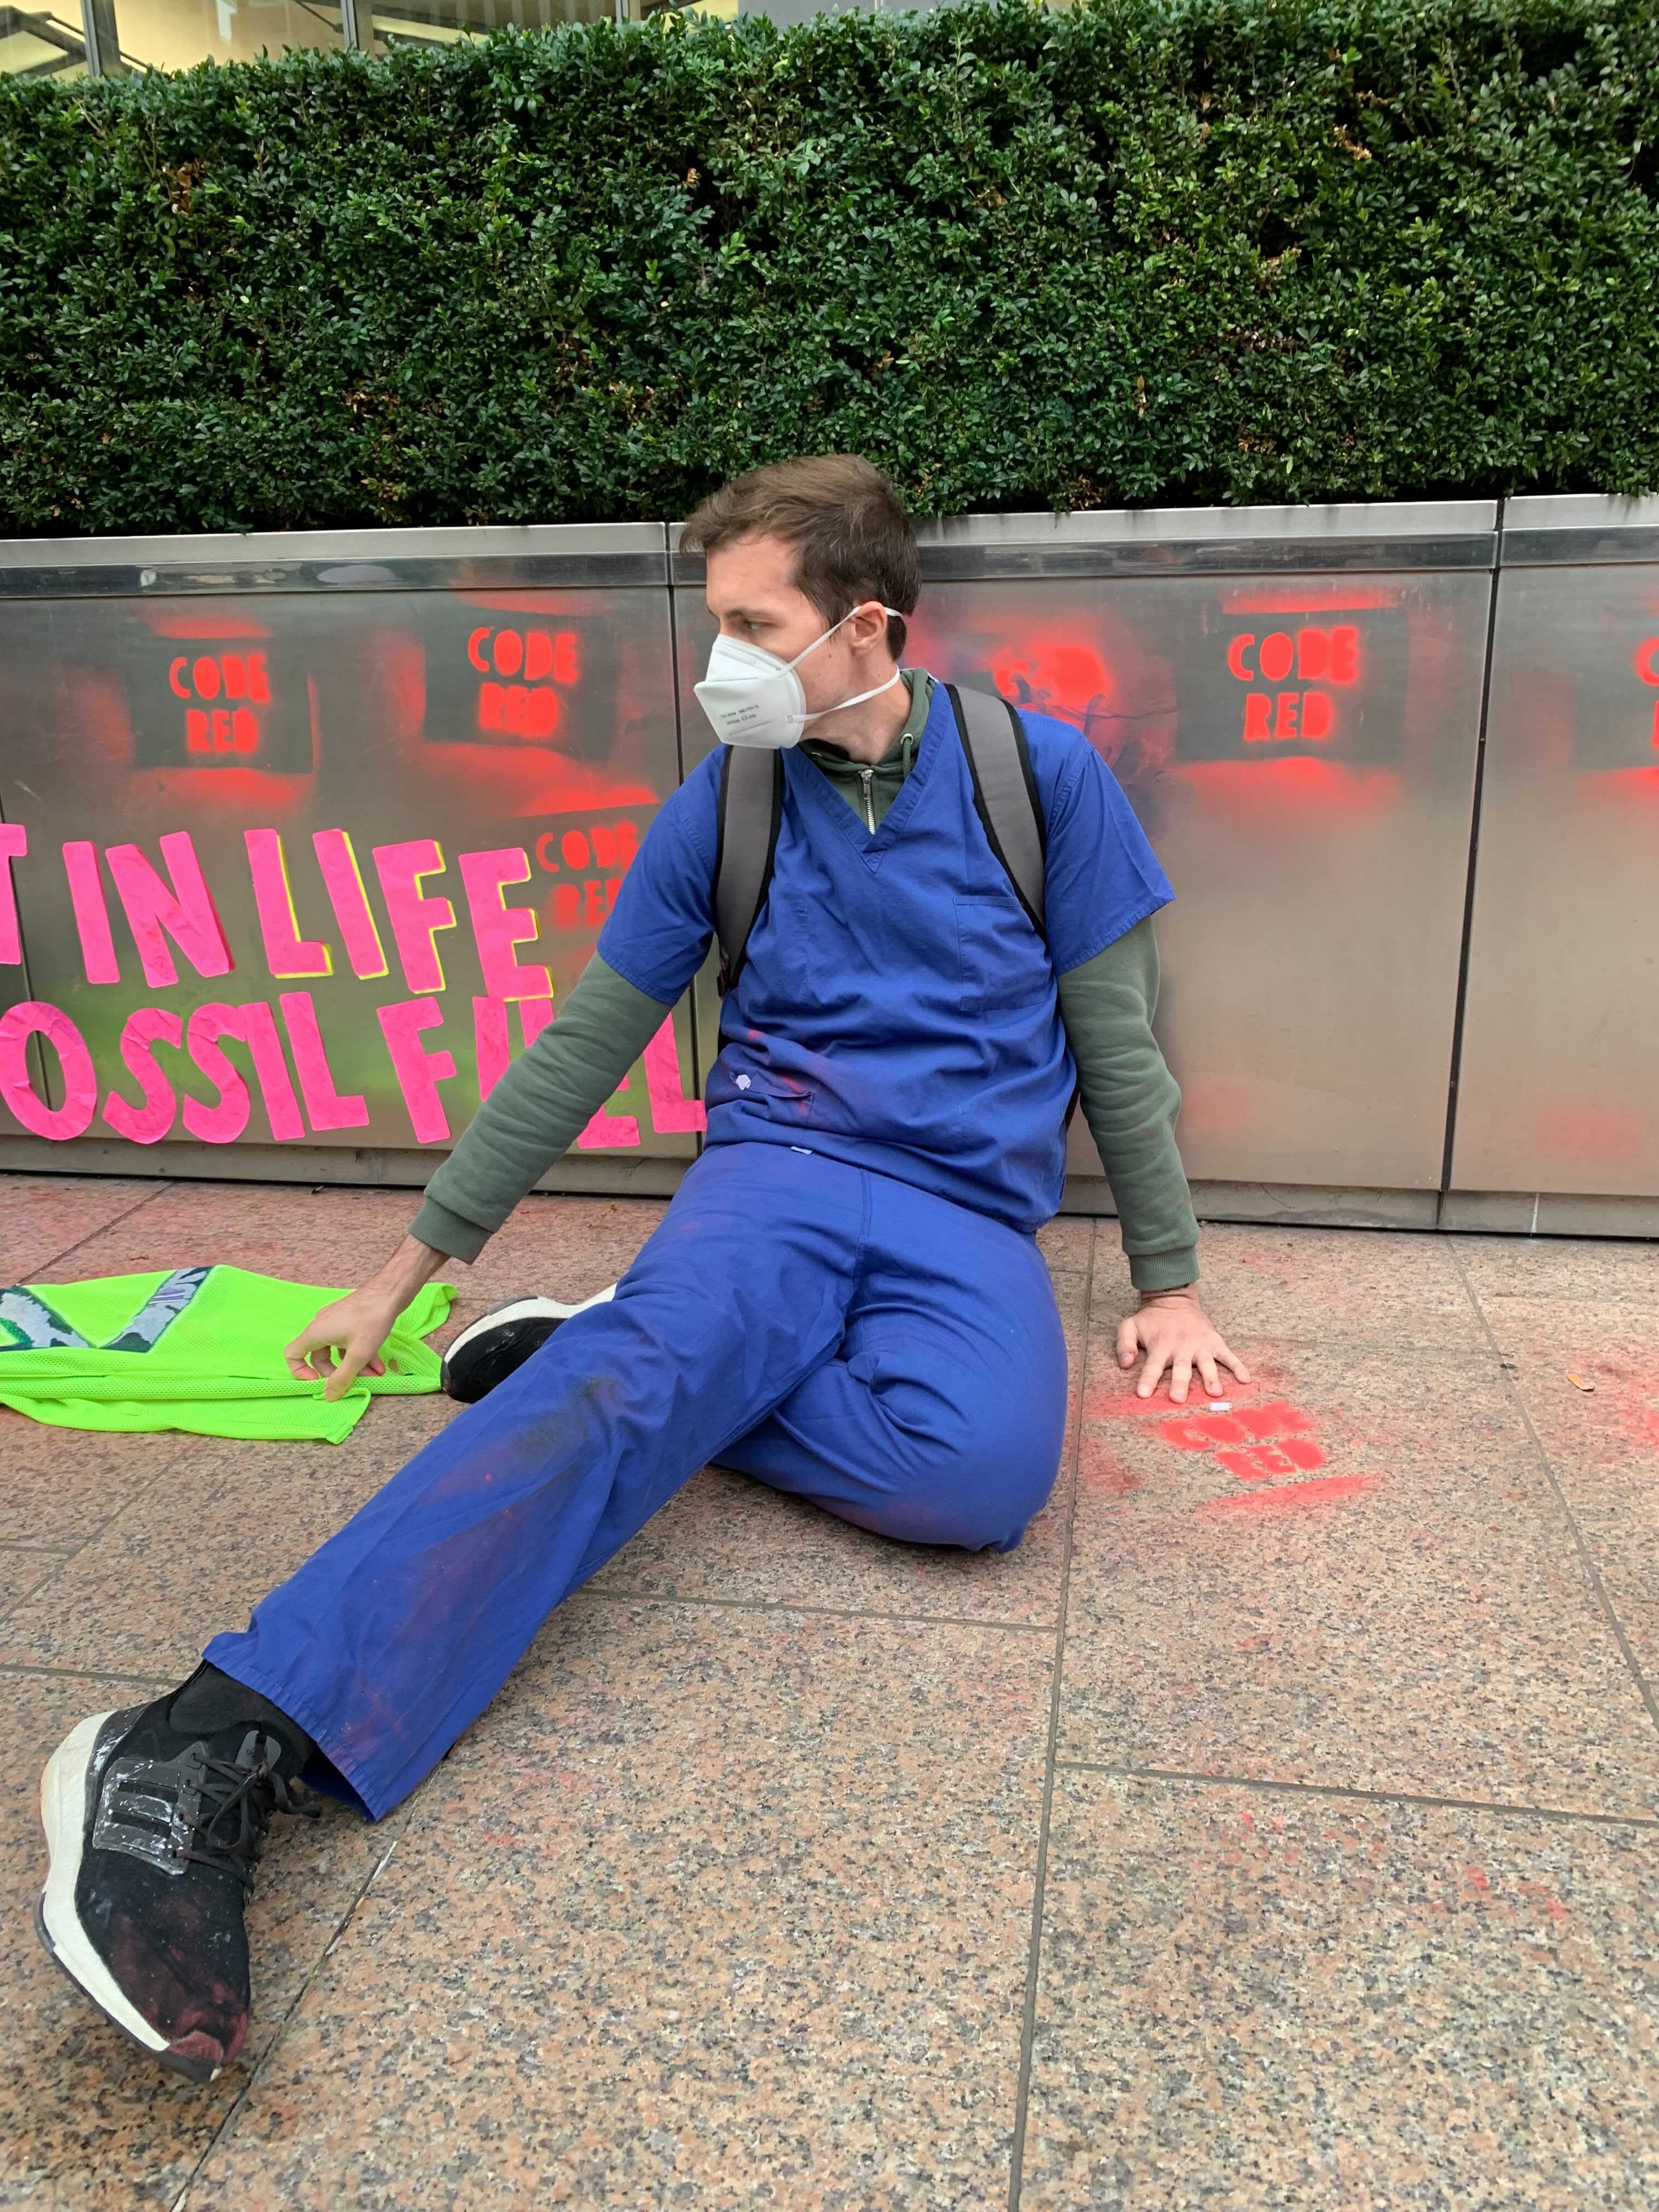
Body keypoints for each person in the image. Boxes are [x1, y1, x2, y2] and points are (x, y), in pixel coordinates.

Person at [35, 454, 1248, 2082]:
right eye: (713, 620)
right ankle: (203, 1744)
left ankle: (623, 1343)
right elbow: (583, 1041)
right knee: (632, 1389)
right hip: (782, 1171)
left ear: (866, 626)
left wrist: (1169, 1281)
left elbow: (1120, 1044)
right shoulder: (728, 802)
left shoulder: (1043, 779)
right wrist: (404, 1277)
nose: (718, 660)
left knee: (982, 1483)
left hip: (968, 1208)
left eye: (754, 624)